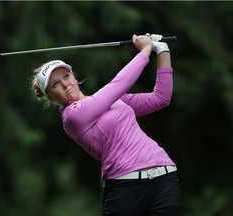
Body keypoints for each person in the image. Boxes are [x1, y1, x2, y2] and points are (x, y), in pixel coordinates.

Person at [32, 33, 180, 216]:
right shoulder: (73, 116)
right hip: (126, 187)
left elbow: (161, 98)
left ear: (74, 76)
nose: (64, 84)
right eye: (55, 84)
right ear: (50, 96)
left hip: (165, 177)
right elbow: (120, 84)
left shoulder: (111, 100)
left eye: (66, 76)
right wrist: (145, 50)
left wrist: (161, 50)